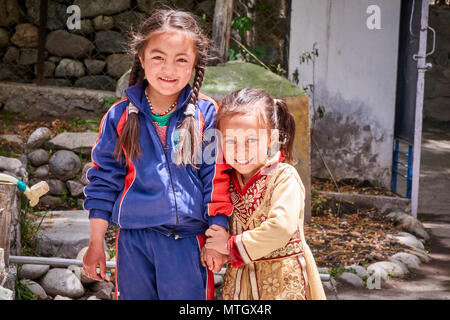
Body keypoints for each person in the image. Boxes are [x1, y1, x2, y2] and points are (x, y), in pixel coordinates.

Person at [82, 9, 232, 300]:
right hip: (133, 244)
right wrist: (96, 242)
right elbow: (104, 181)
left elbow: (216, 179)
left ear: (195, 63)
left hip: (187, 244)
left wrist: (217, 233)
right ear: (141, 57)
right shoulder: (119, 117)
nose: (169, 69)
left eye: (181, 60)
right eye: (158, 57)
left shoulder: (207, 114)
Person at [204, 88, 326, 300]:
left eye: (251, 141)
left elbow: (281, 228)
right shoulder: (226, 181)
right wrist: (213, 247)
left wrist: (230, 246)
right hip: (240, 289)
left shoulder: (284, 177)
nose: (240, 151)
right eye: (231, 141)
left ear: (271, 139)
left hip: (283, 287)